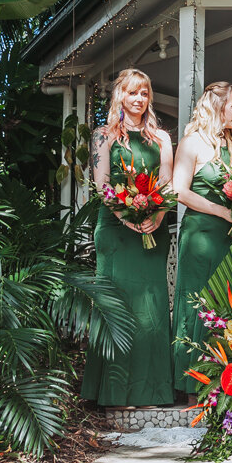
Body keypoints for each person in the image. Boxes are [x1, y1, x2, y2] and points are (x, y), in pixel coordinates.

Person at [81, 69, 176, 408]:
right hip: (116, 231)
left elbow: (166, 183)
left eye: (145, 93)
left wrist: (157, 215)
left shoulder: (162, 139)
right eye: (133, 92)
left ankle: (150, 391)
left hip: (154, 228)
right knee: (118, 306)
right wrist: (128, 218)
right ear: (120, 95)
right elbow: (102, 184)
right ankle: (115, 393)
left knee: (150, 308)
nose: (139, 99)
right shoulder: (102, 136)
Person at [170, 82, 232, 397]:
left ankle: (226, 381)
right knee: (199, 305)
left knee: (228, 307)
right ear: (217, 107)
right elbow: (179, 190)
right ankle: (192, 384)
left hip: (231, 238)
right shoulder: (192, 143)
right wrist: (222, 211)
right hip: (201, 236)